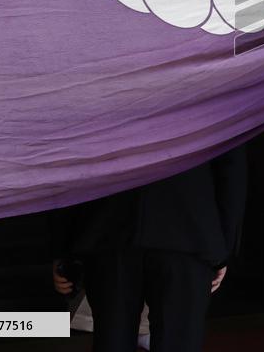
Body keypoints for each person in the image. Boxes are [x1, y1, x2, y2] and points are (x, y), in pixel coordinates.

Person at [51, 143, 249, 352]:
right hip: (188, 228)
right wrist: (222, 247)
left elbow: (69, 153)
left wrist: (63, 246)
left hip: (109, 225)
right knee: (178, 343)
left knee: (112, 341)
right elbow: (231, 164)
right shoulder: (212, 107)